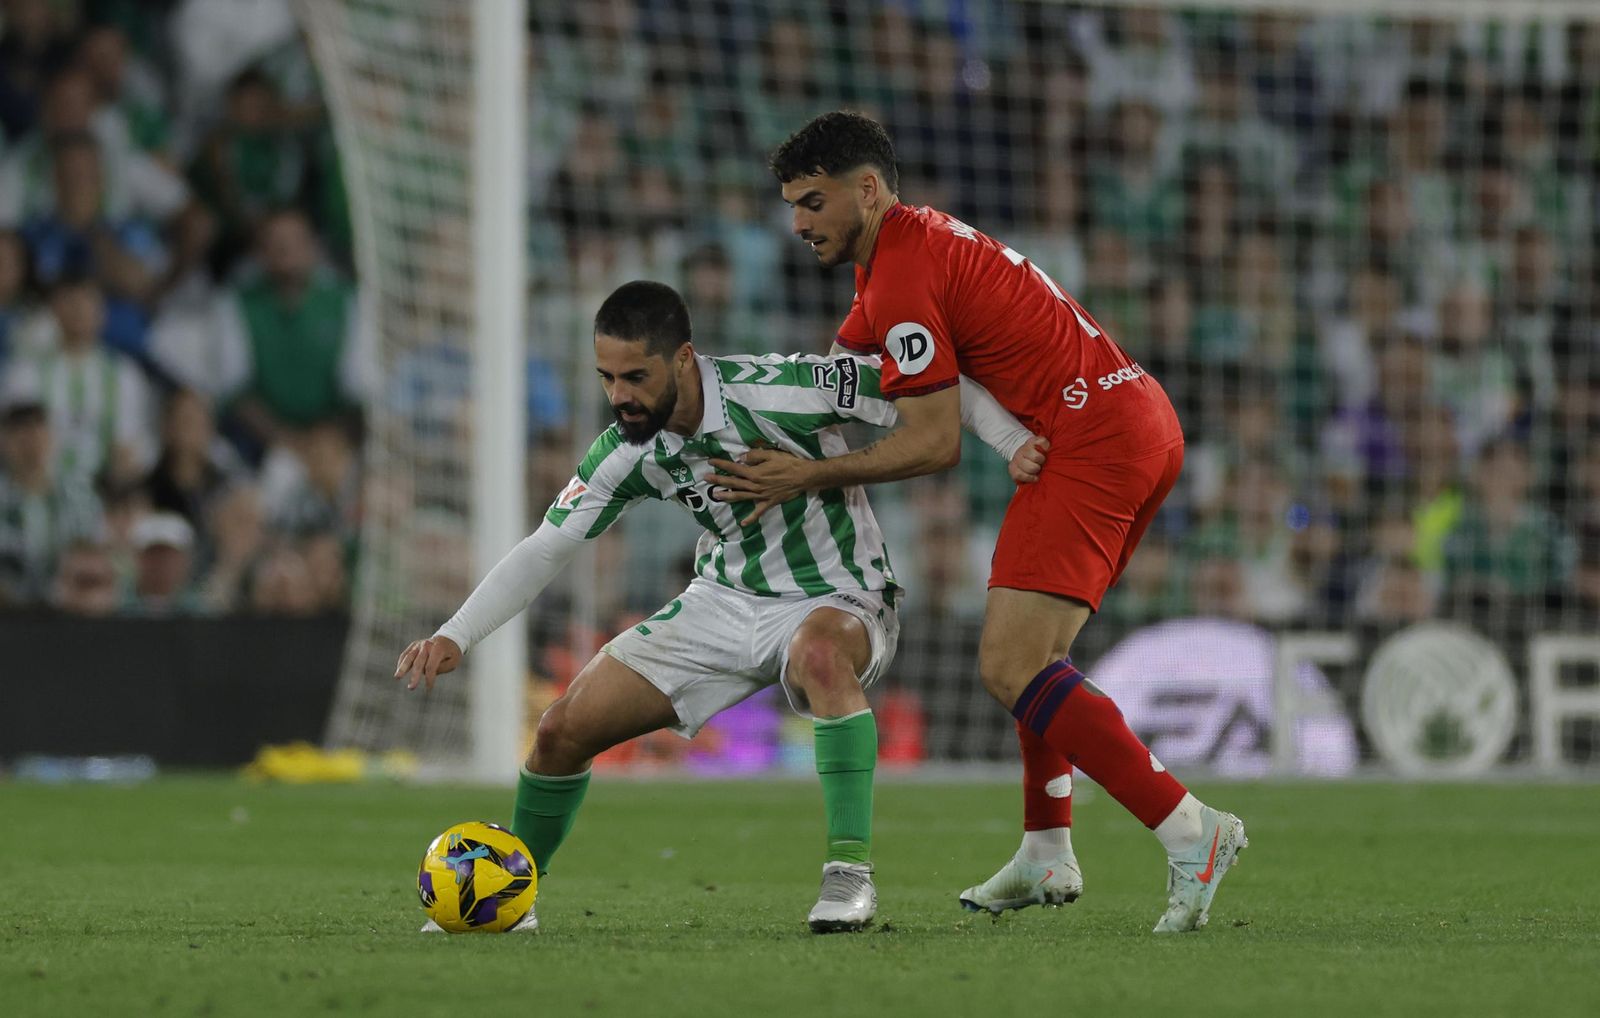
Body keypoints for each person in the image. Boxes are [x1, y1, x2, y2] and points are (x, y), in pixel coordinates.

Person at [711, 111, 1246, 933]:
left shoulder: (896, 276)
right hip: (1137, 419)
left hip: (1092, 439)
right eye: (791, 206)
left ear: (868, 189)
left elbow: (929, 443)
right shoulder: (905, 256)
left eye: (813, 202)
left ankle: (1189, 830)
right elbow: (842, 377)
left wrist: (804, 476)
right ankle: (1046, 849)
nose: (798, 224)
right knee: (1042, 659)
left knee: (1007, 665)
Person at [395, 280, 1043, 935]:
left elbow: (933, 386)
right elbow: (545, 548)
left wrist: (1013, 441)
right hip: (722, 600)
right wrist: (457, 635)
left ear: (682, 359)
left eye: (635, 377)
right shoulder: (627, 450)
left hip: (838, 594)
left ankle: (850, 875)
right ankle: (512, 893)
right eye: (607, 378)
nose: (620, 396)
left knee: (820, 654)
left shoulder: (782, 388)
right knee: (562, 730)